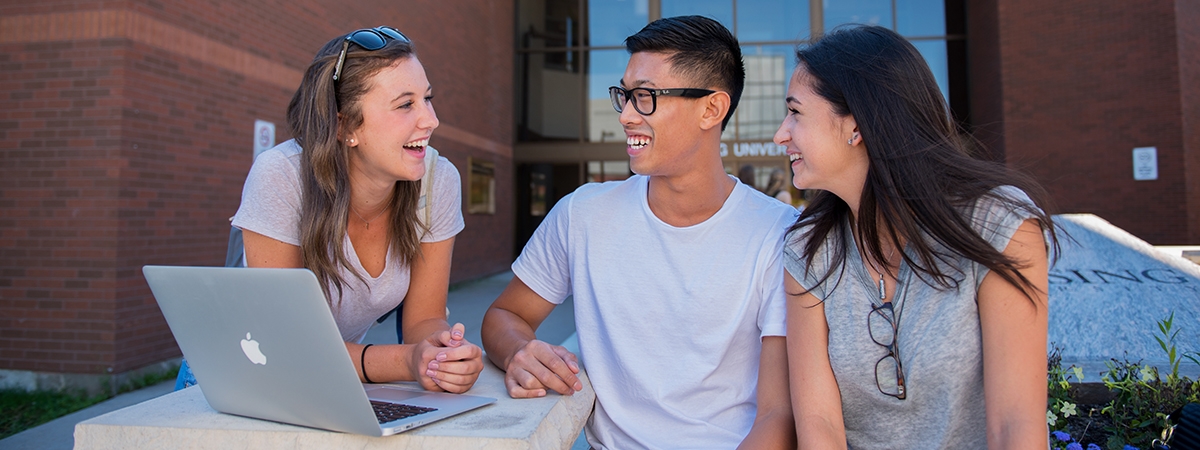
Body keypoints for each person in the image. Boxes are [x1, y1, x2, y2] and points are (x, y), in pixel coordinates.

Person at [481, 16, 797, 450]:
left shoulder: (778, 234)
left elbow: (779, 414)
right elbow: (505, 316)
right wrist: (519, 350)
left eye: (646, 97)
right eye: (625, 96)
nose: (627, 115)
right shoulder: (583, 215)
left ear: (712, 109)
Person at [776, 25, 1058, 449]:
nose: (781, 133)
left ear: (854, 126)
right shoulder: (809, 248)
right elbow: (819, 426)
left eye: (795, 113)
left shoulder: (997, 224)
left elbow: (1015, 426)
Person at [231, 26, 482, 393]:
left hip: (338, 381)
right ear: (344, 124)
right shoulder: (281, 177)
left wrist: (440, 355)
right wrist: (406, 361)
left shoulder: (436, 180)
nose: (431, 119)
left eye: (427, 98)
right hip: (244, 377)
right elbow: (282, 345)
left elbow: (425, 319)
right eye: (405, 104)